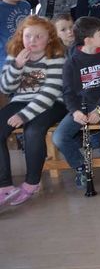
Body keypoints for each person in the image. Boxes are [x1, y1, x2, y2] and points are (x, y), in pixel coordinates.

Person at [0, 17, 66, 207]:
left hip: (54, 103)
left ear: (49, 38)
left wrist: (23, 115)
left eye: (39, 36)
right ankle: (5, 186)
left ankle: (31, 183)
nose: (32, 40)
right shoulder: (15, 54)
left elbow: (49, 93)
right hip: (21, 100)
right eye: (28, 36)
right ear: (21, 36)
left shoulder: (56, 56)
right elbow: (5, 88)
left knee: (33, 130)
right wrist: (17, 66)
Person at [52, 16, 100, 190]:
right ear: (88, 40)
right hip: (82, 108)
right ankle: (81, 168)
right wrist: (75, 111)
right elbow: (68, 92)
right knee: (59, 137)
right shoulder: (72, 62)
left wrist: (99, 109)